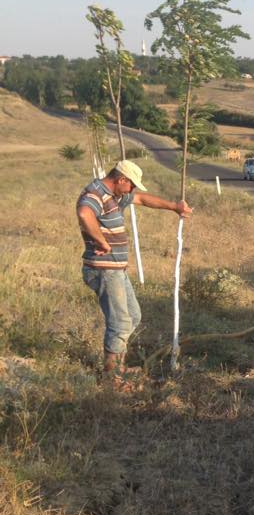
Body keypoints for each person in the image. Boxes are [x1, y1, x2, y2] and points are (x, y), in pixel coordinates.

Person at [76, 160, 192, 382]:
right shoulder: (95, 194)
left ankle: (117, 366)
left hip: (116, 269)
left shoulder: (116, 195)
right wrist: (102, 243)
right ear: (121, 179)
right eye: (131, 185)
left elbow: (141, 199)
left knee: (133, 316)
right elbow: (84, 214)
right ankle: (112, 376)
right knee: (120, 322)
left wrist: (174, 207)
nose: (133, 190)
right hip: (104, 269)